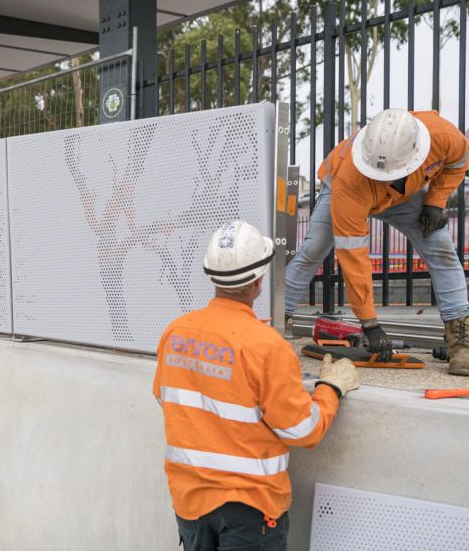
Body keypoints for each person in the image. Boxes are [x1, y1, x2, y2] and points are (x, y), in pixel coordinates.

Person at [154, 220, 359, 551]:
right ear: (258, 280)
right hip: (250, 511)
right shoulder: (267, 347)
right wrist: (330, 389)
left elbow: (172, 400)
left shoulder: (175, 332)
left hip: (189, 502)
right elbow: (302, 431)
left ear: (211, 276)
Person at [284, 108, 469, 376]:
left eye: (390, 173)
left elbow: (458, 162)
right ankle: (274, 323)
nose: (385, 177)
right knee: (314, 248)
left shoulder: (443, 136)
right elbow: (353, 255)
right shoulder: (350, 180)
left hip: (406, 192)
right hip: (354, 188)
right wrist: (369, 323)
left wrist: (436, 202)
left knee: (440, 248)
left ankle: (463, 343)